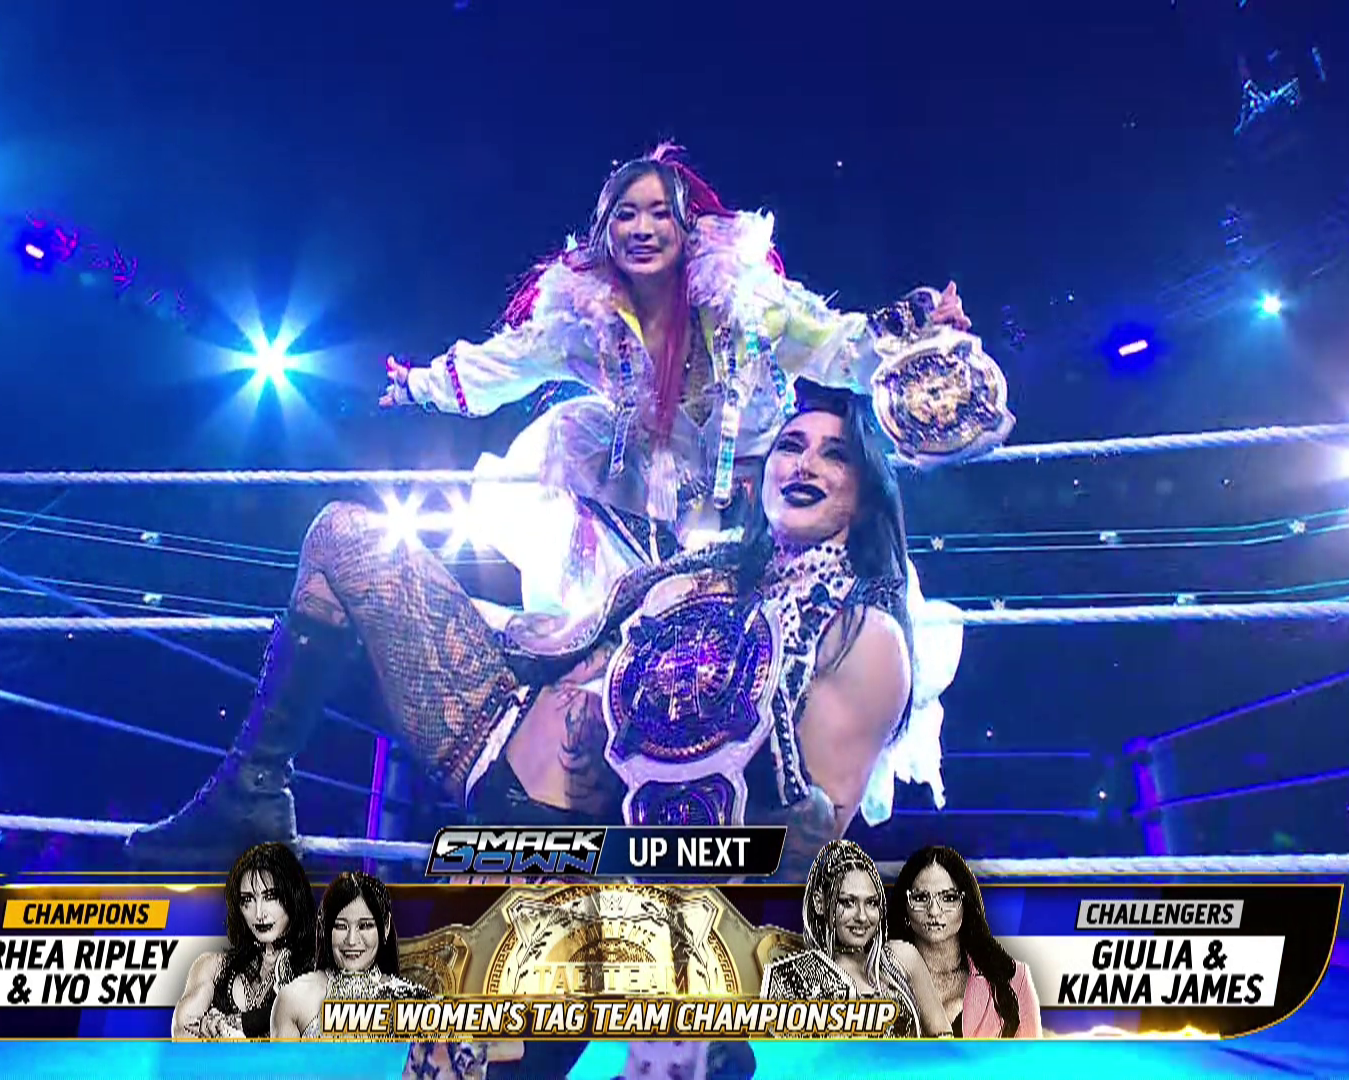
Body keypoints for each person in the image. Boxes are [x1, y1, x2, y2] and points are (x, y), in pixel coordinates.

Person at [128, 375, 993, 879]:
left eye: (834, 454)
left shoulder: (861, 635)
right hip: (495, 730)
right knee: (343, 537)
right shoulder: (714, 568)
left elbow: (801, 849)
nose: (803, 463)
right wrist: (527, 629)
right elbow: (586, 633)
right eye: (793, 445)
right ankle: (252, 793)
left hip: (579, 853)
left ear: (867, 489)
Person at [382, 144, 1007, 829]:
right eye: (626, 214)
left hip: (768, 500)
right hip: (662, 509)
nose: (642, 229)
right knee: (569, 446)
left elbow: (835, 344)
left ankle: (795, 800)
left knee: (810, 644)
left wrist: (916, 338)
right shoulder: (586, 319)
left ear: (686, 227)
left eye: (659, 213)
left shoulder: (745, 301)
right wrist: (420, 386)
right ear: (604, 230)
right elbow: (508, 362)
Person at [759, 839, 948, 1037]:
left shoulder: (902, 959)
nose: (862, 917)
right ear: (819, 903)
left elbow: (946, 1041)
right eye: (848, 902)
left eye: (871, 903)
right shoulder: (792, 979)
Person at [888, 844, 1041, 1038]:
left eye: (948, 898)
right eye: (920, 897)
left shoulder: (1013, 979)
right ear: (905, 905)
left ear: (965, 904)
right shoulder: (876, 976)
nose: (934, 911)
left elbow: (1030, 1057)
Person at [169, 841, 316, 1041]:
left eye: (270, 897)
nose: (259, 913)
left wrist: (233, 1031)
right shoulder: (213, 967)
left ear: (293, 896)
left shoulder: (317, 971)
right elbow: (183, 1032)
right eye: (247, 900)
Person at [270, 871, 435, 1038]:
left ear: (385, 927)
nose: (351, 940)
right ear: (325, 929)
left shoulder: (414, 1001)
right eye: (341, 926)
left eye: (365, 926)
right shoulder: (293, 999)